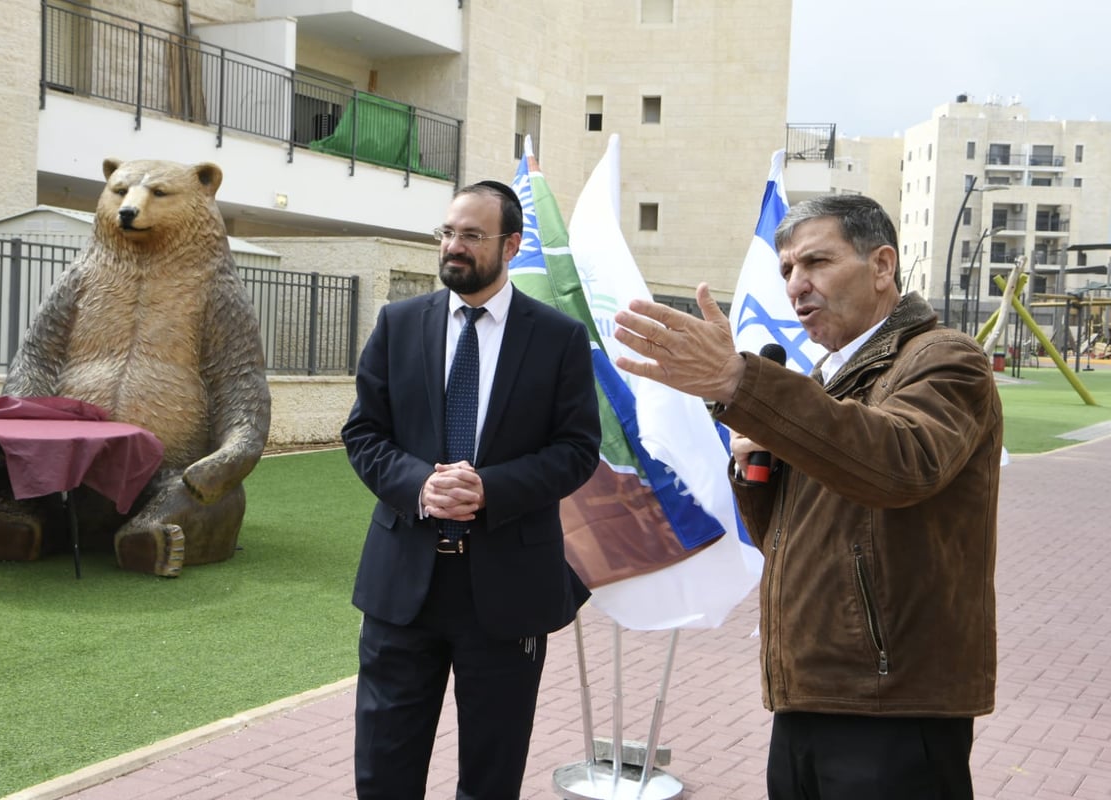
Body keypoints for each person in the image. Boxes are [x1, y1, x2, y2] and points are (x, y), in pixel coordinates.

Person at [612, 194, 1001, 800]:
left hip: (893, 701)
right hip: (809, 690)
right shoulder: (823, 380)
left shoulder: (945, 358)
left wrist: (744, 384)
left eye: (817, 262)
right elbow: (791, 537)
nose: (797, 285)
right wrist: (754, 470)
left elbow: (900, 465)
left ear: (881, 266)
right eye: (787, 269)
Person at [342, 180, 600, 799]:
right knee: (383, 770)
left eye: (471, 236)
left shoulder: (557, 338)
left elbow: (576, 451)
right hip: (403, 586)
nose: (454, 247)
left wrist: (489, 489)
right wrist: (421, 485)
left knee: (491, 775)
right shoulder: (399, 324)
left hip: (507, 591)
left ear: (511, 245)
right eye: (448, 233)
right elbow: (364, 432)